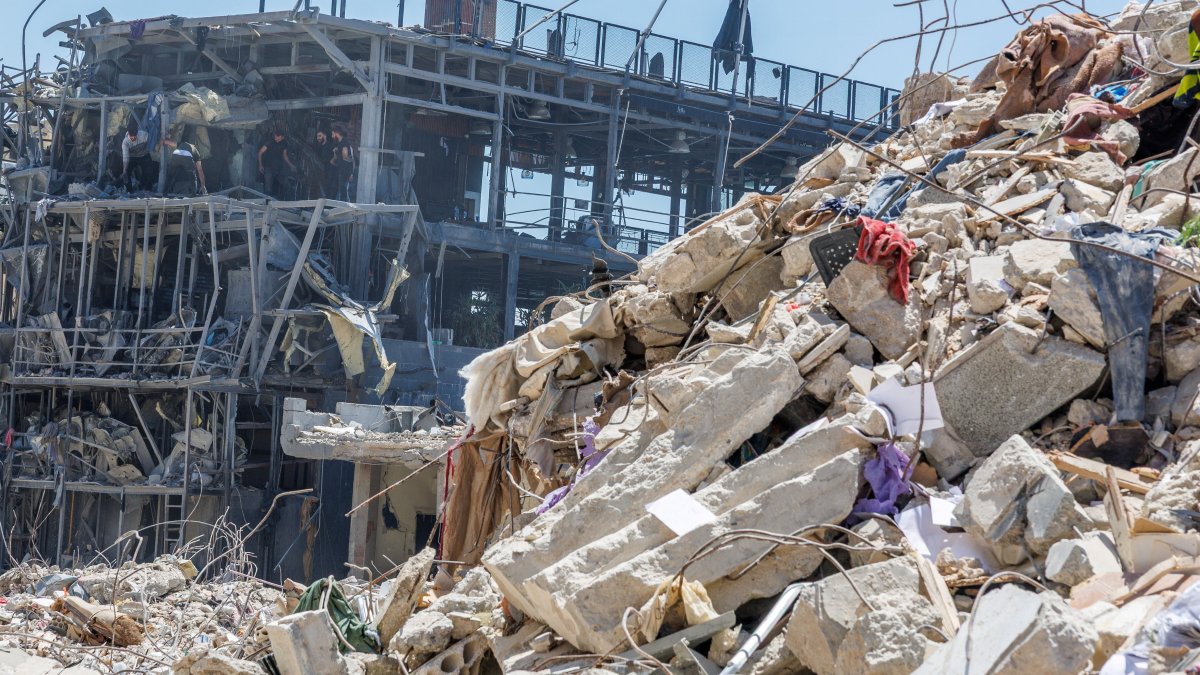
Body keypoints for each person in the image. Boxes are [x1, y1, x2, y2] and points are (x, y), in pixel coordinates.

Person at [257, 128, 296, 199]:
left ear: (283, 137)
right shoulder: (269, 142)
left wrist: (291, 165)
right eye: (276, 138)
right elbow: (260, 152)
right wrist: (260, 165)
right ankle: (266, 205)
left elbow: (285, 156)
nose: (277, 140)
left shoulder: (284, 143)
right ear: (274, 136)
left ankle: (282, 202)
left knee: (286, 185)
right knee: (268, 188)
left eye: (279, 139)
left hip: (279, 168)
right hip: (268, 167)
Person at [120, 125, 156, 190]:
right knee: (126, 173)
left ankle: (148, 189)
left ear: (137, 134)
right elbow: (125, 157)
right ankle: (129, 191)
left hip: (144, 155)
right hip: (132, 157)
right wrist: (124, 170)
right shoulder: (125, 142)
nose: (133, 138)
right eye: (131, 137)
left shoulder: (144, 135)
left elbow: (152, 141)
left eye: (135, 137)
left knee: (149, 171)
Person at [329, 123, 355, 200]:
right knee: (342, 193)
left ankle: (346, 210)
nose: (332, 136)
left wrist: (350, 173)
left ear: (337, 133)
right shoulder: (340, 144)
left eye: (333, 134)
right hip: (342, 172)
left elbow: (348, 159)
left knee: (343, 193)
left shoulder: (344, 144)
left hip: (345, 173)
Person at [311, 129, 331, 198]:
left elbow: (326, 161)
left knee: (324, 191)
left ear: (325, 136)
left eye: (320, 136)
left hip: (326, 173)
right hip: (318, 172)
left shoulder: (329, 146)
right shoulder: (318, 146)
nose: (318, 138)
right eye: (317, 136)